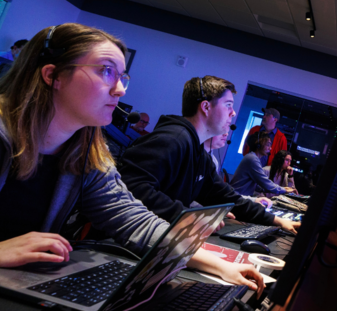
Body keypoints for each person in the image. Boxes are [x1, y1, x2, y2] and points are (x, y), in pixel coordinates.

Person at [0, 24, 263, 293]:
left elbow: (134, 219)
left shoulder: (85, 151)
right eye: (105, 71)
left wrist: (220, 266)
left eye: (122, 76)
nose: (120, 89)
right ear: (53, 75)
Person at [118, 76, 299, 233]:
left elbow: (227, 197)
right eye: (228, 105)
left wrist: (277, 220)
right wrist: (190, 217)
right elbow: (132, 188)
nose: (233, 112)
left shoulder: (199, 154)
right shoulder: (173, 139)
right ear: (205, 107)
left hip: (157, 236)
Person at [231, 132, 295, 197]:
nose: (270, 148)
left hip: (240, 196)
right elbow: (265, 183)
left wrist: (282, 189)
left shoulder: (253, 158)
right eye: (268, 145)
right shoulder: (252, 159)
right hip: (237, 197)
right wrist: (283, 189)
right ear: (258, 144)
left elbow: (257, 186)